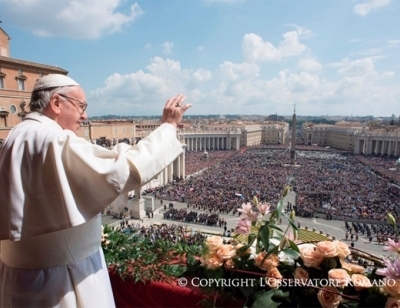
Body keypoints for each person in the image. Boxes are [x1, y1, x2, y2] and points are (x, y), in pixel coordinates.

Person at [0, 74, 192, 307]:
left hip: (19, 280)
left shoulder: (17, 136)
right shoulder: (51, 139)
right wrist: (168, 127)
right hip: (63, 281)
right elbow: (122, 170)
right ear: (56, 103)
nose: (85, 115)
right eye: (81, 106)